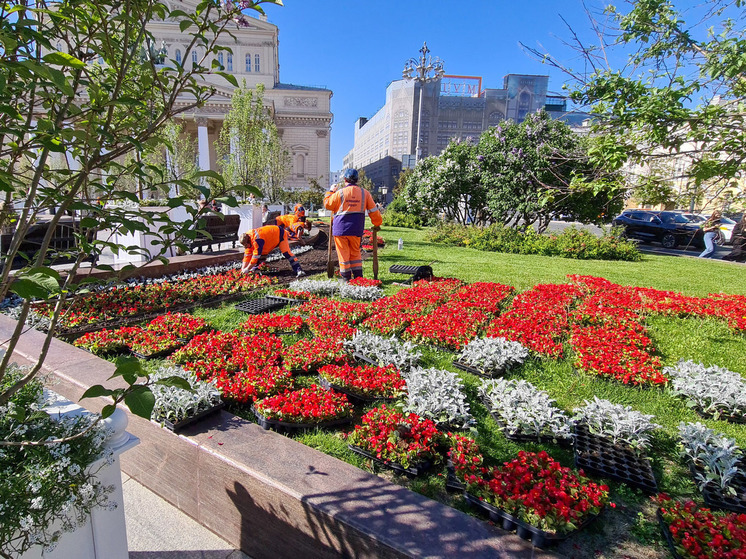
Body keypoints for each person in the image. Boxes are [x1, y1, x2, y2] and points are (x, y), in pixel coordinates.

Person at [323, 168, 382, 281]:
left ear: (345, 179)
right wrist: (377, 223)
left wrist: (330, 192)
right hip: (356, 229)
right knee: (355, 253)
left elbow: (327, 204)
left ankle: (346, 279)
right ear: (357, 180)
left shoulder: (339, 193)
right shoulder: (365, 193)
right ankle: (358, 278)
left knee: (343, 254)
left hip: (340, 229)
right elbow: (374, 211)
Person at [240, 225, 305, 277]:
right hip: (269, 239)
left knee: (286, 253)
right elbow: (247, 255)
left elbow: (255, 257)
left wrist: (247, 269)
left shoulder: (257, 240)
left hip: (280, 234)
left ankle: (298, 269)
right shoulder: (247, 238)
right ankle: (257, 270)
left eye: (247, 245)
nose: (247, 247)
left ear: (249, 241)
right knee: (261, 254)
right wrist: (243, 269)